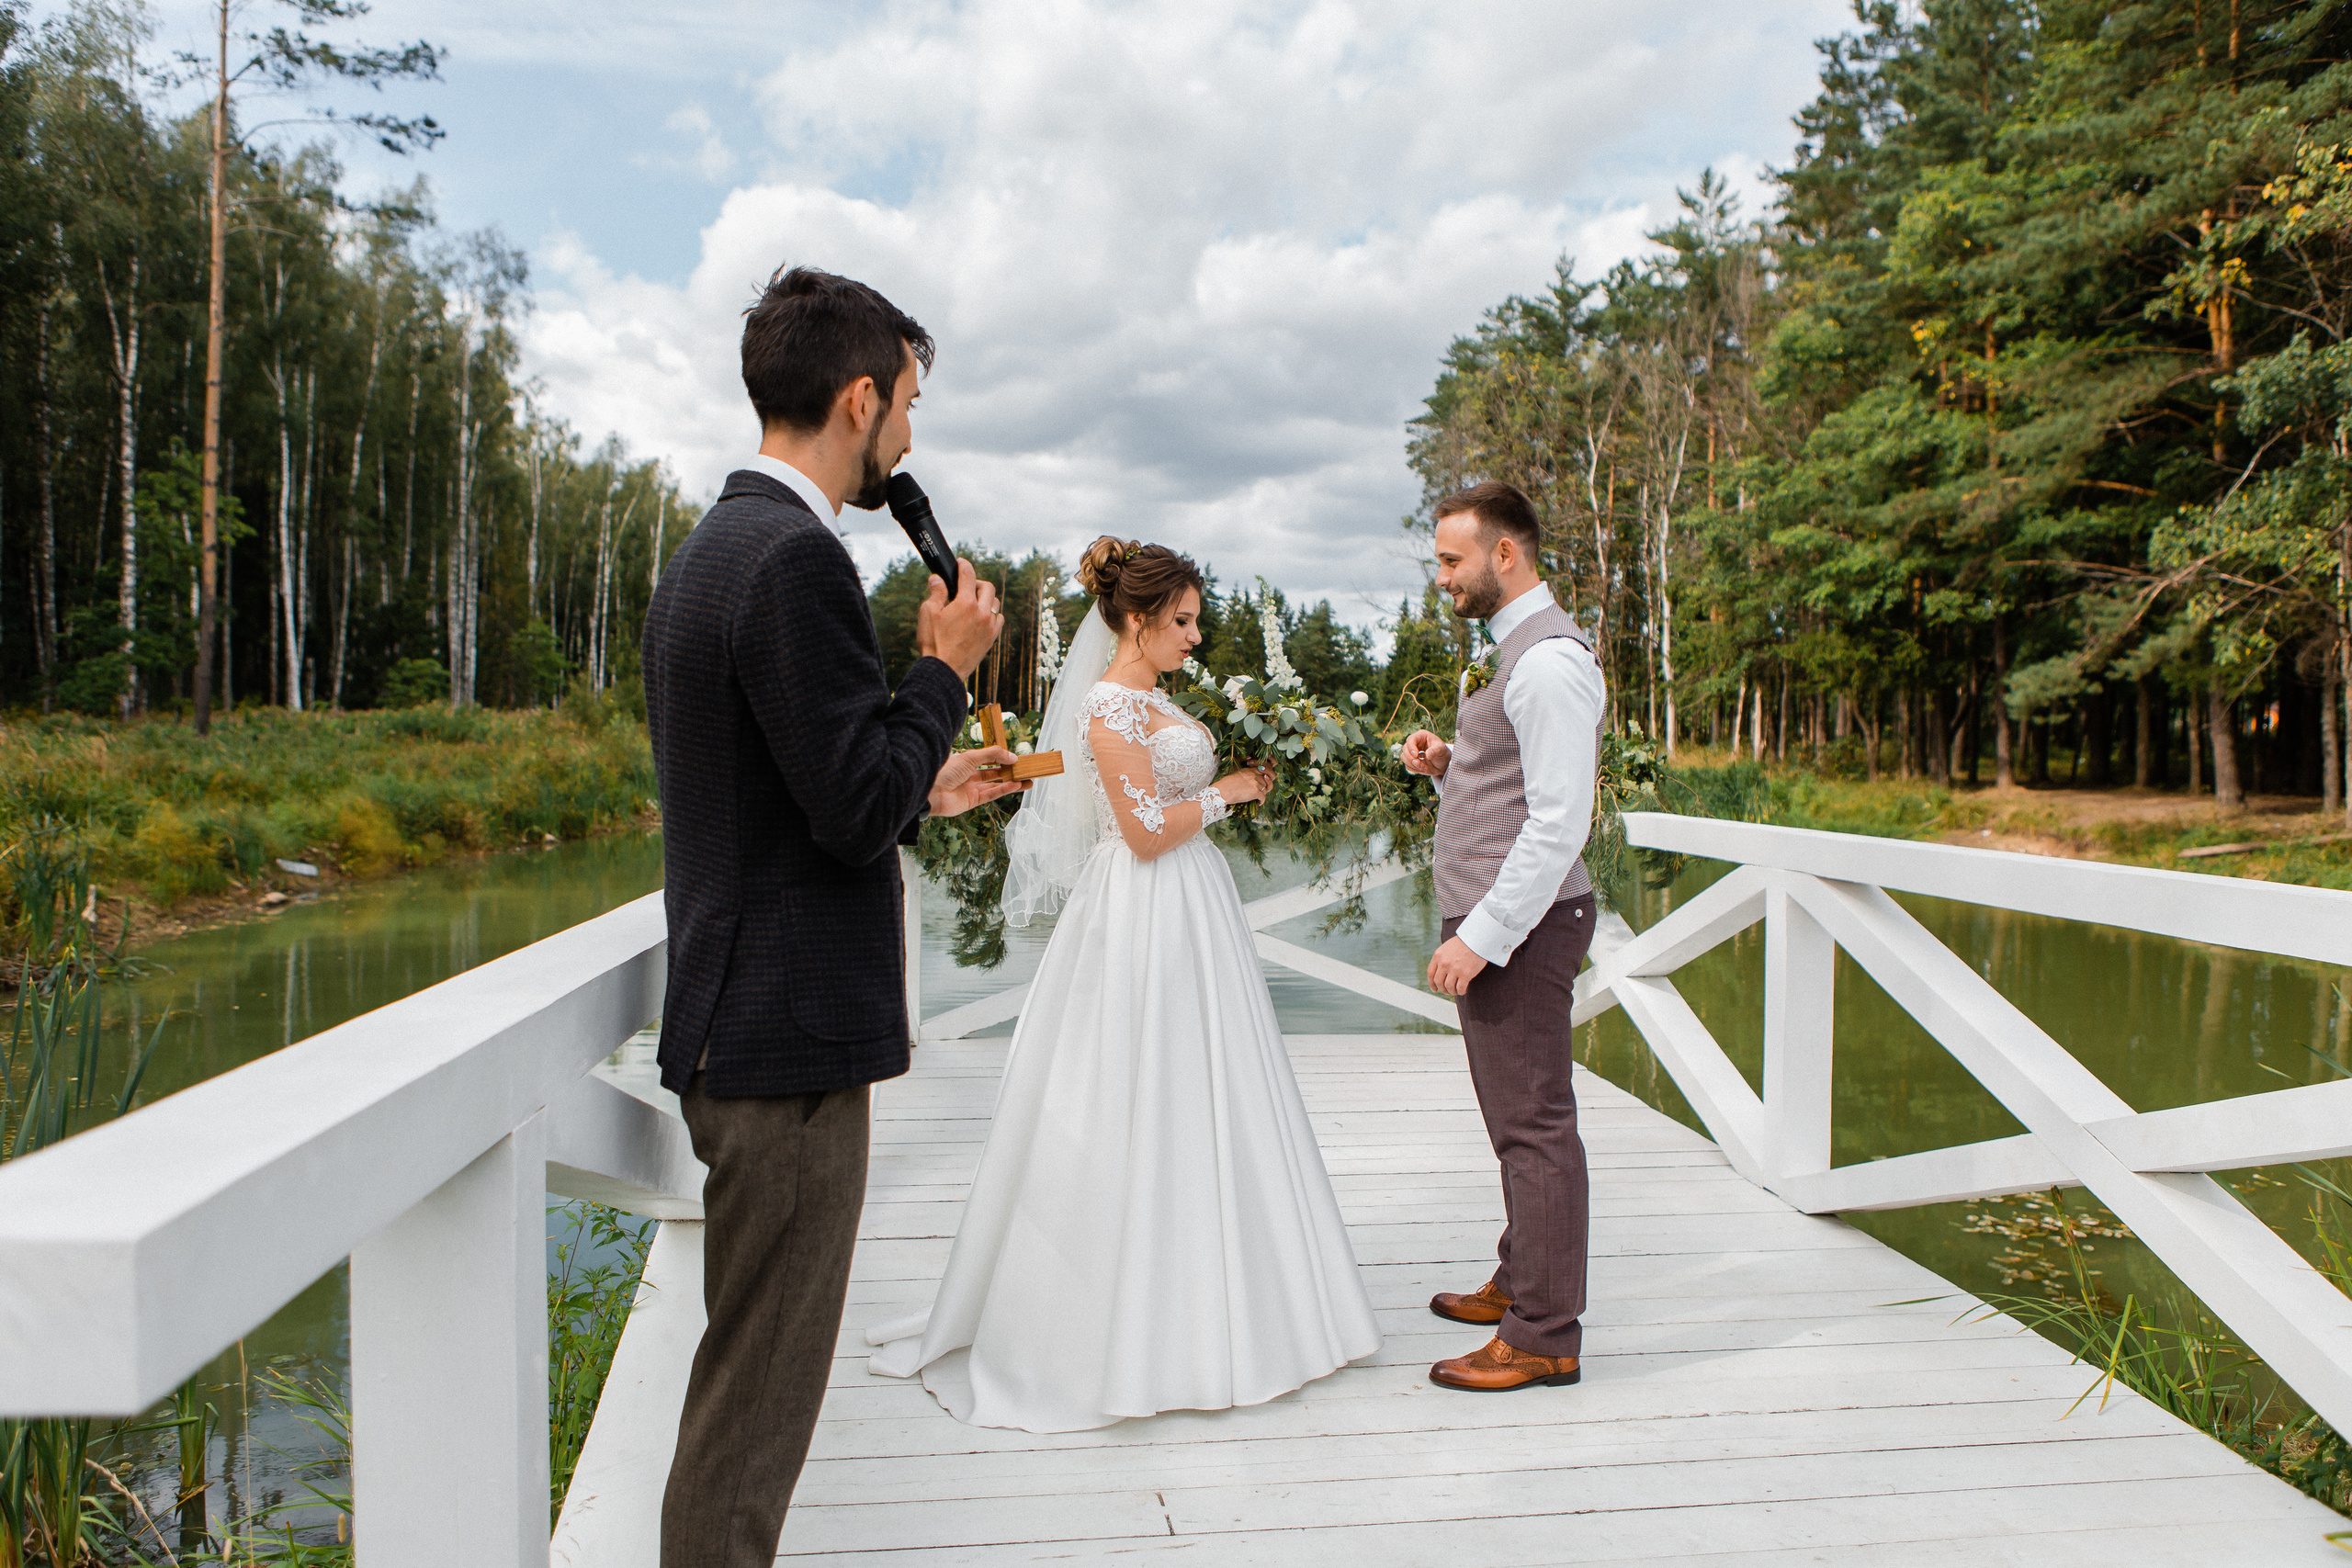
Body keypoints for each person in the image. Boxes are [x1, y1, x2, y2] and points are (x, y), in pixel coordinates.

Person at [642, 265, 1025, 1566]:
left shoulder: (717, 546)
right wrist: (940, 671)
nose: (911, 436)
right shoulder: (796, 558)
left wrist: (926, 772)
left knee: (741, 1389)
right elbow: (852, 807)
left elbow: (804, 789)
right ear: (858, 399)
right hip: (786, 1049)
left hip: (733, 1021)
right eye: (909, 403)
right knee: (754, 1418)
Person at [865, 536, 1382, 1431]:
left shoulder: (1153, 698)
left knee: (1207, 1093)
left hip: (1192, 908)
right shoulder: (1109, 706)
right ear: (1136, 619)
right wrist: (1233, 791)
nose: (1195, 636)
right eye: (1180, 621)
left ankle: (1229, 1302)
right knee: (1131, 1093)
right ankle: (1120, 1324)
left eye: (1198, 620)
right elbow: (1143, 831)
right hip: (1143, 910)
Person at [1400, 479, 1606, 1393]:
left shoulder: (1549, 663)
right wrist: (1454, 765)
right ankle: (1524, 1279)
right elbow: (1519, 786)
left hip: (1519, 929)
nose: (1441, 576)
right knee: (1514, 1121)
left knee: (1534, 1127)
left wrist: (1479, 939)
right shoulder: (1511, 654)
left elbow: (1560, 824)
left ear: (1504, 554)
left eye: (1451, 560)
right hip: (1506, 920)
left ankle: (1543, 1333)